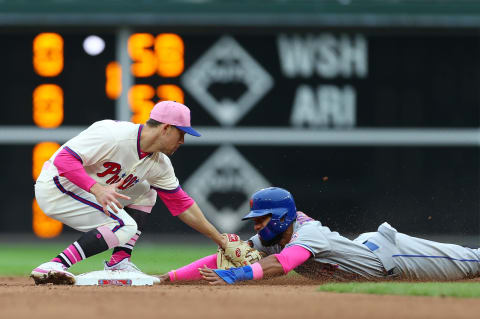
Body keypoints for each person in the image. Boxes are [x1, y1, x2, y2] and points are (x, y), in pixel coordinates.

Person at [31, 101, 228, 285]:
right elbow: (63, 160)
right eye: (181, 133)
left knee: (147, 190)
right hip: (56, 187)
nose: (183, 141)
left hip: (87, 193)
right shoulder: (113, 134)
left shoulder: (159, 164)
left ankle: (119, 261)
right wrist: (96, 188)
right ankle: (55, 265)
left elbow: (182, 204)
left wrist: (220, 240)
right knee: (125, 226)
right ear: (166, 128)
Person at [159, 187, 480, 285]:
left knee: (472, 262)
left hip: (393, 256)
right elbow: (221, 257)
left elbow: (286, 263)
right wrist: (168, 278)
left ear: (282, 216)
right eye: (254, 220)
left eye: (262, 220)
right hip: (367, 256)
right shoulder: (274, 236)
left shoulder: (307, 234)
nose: (256, 227)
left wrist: (235, 275)